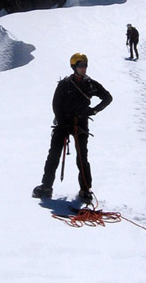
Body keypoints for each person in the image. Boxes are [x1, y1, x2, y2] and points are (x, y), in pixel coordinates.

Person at [32, 53, 112, 202]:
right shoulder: (65, 84)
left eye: (85, 65)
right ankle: (47, 186)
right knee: (54, 155)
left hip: (78, 123)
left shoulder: (88, 84)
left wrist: (93, 111)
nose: (84, 68)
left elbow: (108, 97)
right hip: (67, 123)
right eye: (81, 65)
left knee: (81, 157)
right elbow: (56, 104)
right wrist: (64, 120)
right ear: (74, 67)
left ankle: (85, 189)